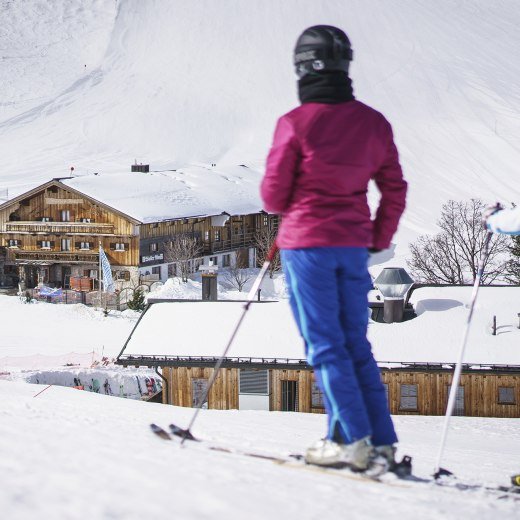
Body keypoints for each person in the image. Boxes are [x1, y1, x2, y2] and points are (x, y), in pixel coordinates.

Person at [261, 26, 407, 471]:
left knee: (325, 346)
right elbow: (394, 188)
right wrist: (378, 239)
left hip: (308, 245)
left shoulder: (295, 123)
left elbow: (272, 196)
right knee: (354, 345)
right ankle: (378, 442)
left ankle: (352, 442)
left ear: (302, 68)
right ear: (345, 64)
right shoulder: (373, 122)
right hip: (352, 245)